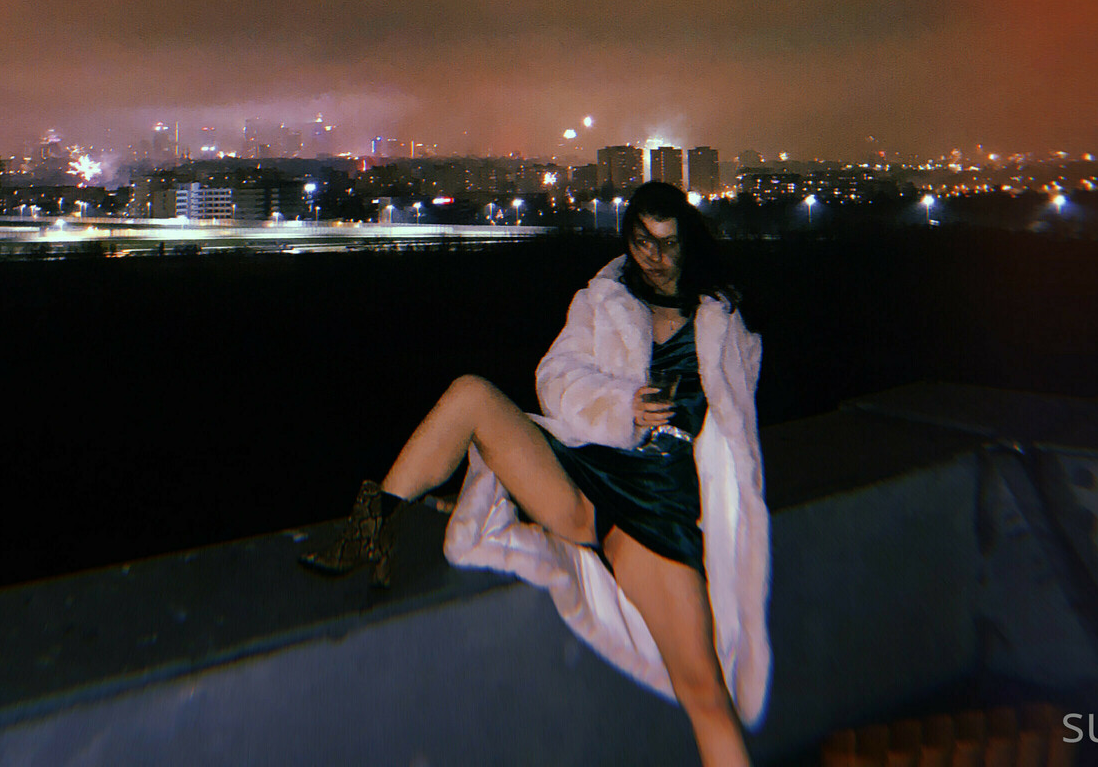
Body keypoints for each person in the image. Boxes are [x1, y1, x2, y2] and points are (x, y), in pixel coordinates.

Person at [299, 181, 770, 767]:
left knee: (702, 690)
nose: (653, 256)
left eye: (667, 243)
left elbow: (736, 429)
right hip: (585, 467)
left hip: (655, 503)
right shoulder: (604, 299)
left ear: (688, 242)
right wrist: (622, 404)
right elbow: (554, 377)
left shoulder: (720, 320)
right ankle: (373, 527)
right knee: (470, 394)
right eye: (641, 240)